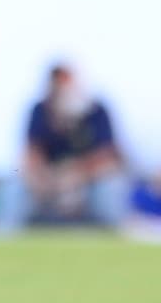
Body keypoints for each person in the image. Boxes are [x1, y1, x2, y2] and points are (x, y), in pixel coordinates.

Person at [14, 63, 126, 227]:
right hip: (51, 178)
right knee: (17, 189)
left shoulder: (97, 111)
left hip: (90, 179)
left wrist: (76, 174)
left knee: (108, 189)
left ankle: (114, 236)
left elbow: (108, 155)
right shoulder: (40, 110)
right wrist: (44, 178)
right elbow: (32, 152)